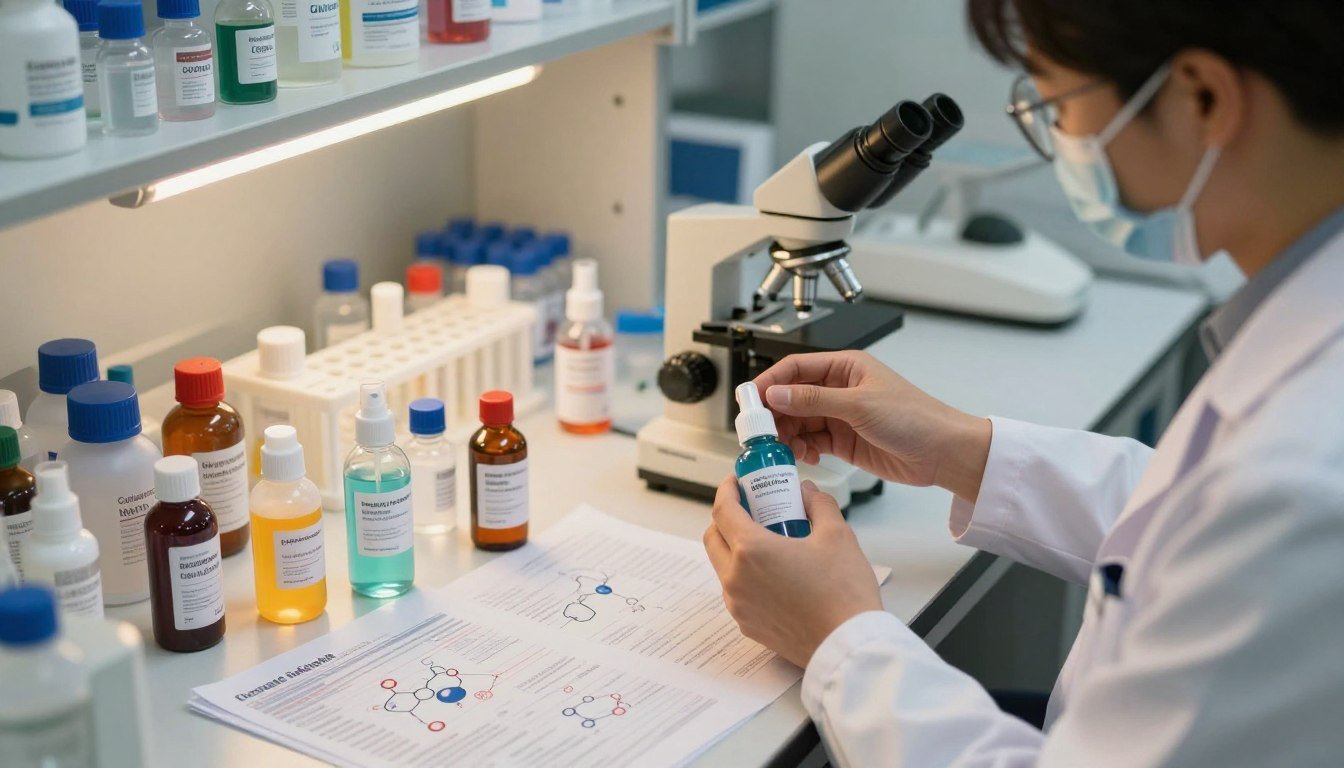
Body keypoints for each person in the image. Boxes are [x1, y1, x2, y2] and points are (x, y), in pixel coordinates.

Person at [702, 1, 1344, 764]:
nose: (1061, 140)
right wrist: (963, 450)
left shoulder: (1301, 473)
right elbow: (1200, 529)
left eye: (1058, 104)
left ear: (1202, 96)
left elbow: (1250, 517)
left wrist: (839, 634)